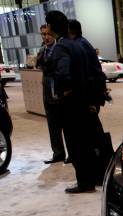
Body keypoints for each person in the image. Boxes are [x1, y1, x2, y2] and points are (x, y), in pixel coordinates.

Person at [46, 10, 97, 194]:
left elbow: (63, 73)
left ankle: (84, 183)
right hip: (83, 99)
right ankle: (90, 179)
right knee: (84, 142)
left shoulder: (61, 47)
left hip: (71, 103)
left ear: (51, 26)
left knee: (75, 144)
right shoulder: (76, 44)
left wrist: (63, 92)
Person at [68, 19, 113, 185]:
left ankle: (99, 174)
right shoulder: (83, 44)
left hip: (89, 98)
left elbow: (89, 75)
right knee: (94, 136)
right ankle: (100, 172)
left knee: (92, 138)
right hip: (92, 97)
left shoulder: (80, 46)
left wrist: (93, 101)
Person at [36, 24, 67, 164]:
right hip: (47, 93)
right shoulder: (42, 50)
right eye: (43, 34)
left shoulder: (59, 49)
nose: (46, 37)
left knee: (67, 126)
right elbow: (39, 66)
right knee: (52, 127)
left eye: (48, 34)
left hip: (60, 93)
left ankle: (72, 155)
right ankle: (58, 153)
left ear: (53, 34)